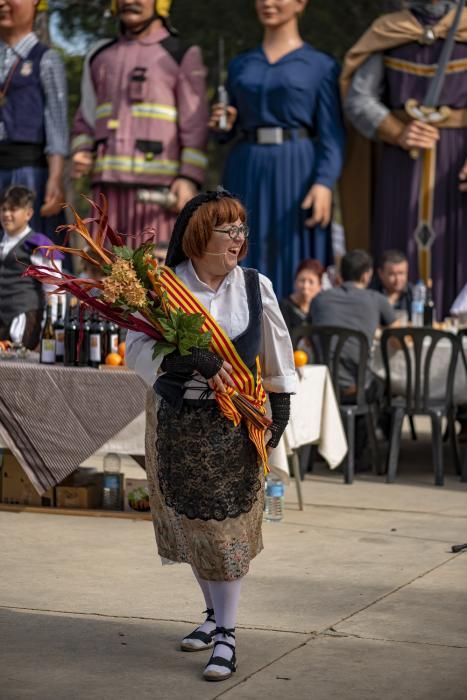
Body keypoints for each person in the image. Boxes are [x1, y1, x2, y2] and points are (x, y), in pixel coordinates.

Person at [125, 189, 297, 682]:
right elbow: (136, 349)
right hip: (178, 421)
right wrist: (189, 359)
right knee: (194, 526)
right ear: (201, 237)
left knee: (225, 533)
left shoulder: (254, 285)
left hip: (234, 423)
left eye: (243, 230)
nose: (240, 240)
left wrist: (279, 411)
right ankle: (212, 617)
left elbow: (277, 352)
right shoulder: (164, 287)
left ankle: (226, 635)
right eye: (230, 231)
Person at [209, 0, 345, 299]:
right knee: (240, 246)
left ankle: (295, 333)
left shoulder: (322, 66)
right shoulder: (240, 64)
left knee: (294, 251)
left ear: (300, 4)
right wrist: (223, 125)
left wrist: (324, 182)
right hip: (247, 166)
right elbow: (225, 132)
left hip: (297, 169)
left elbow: (332, 134)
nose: (267, 3)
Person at [341, 0, 467, 318]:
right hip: (400, 161)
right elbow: (359, 98)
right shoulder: (389, 31)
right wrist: (395, 130)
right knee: (397, 239)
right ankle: (393, 329)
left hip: (457, 158)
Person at [71, 0, 208, 247]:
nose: (129, 1)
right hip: (106, 192)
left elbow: (195, 126)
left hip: (157, 197)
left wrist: (189, 178)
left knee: (155, 277)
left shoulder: (180, 54)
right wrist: (82, 150)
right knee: (103, 274)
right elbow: (86, 117)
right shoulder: (100, 57)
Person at [0, 0, 68, 241]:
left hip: (28, 174)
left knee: (31, 252)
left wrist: (56, 177)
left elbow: (56, 121)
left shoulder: (46, 59)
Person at [311, 249, 398, 393]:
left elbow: (310, 337)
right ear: (366, 276)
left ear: (341, 275)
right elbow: (398, 340)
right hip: (358, 386)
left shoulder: (319, 299)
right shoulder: (377, 299)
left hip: (323, 382)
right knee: (387, 390)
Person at [0, 185, 62, 349]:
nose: (6, 214)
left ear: (28, 213)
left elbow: (54, 291)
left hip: (24, 322)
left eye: (13, 209)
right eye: (3, 209)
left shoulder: (39, 244)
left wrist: (48, 331)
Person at [280, 258, 324, 335]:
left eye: (311, 282)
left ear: (319, 286)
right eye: (302, 280)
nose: (305, 286)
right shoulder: (283, 307)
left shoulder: (321, 309)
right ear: (295, 282)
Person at [371, 249, 413, 321]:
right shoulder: (371, 294)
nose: (397, 279)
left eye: (401, 273)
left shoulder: (414, 293)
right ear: (380, 273)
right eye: (392, 274)